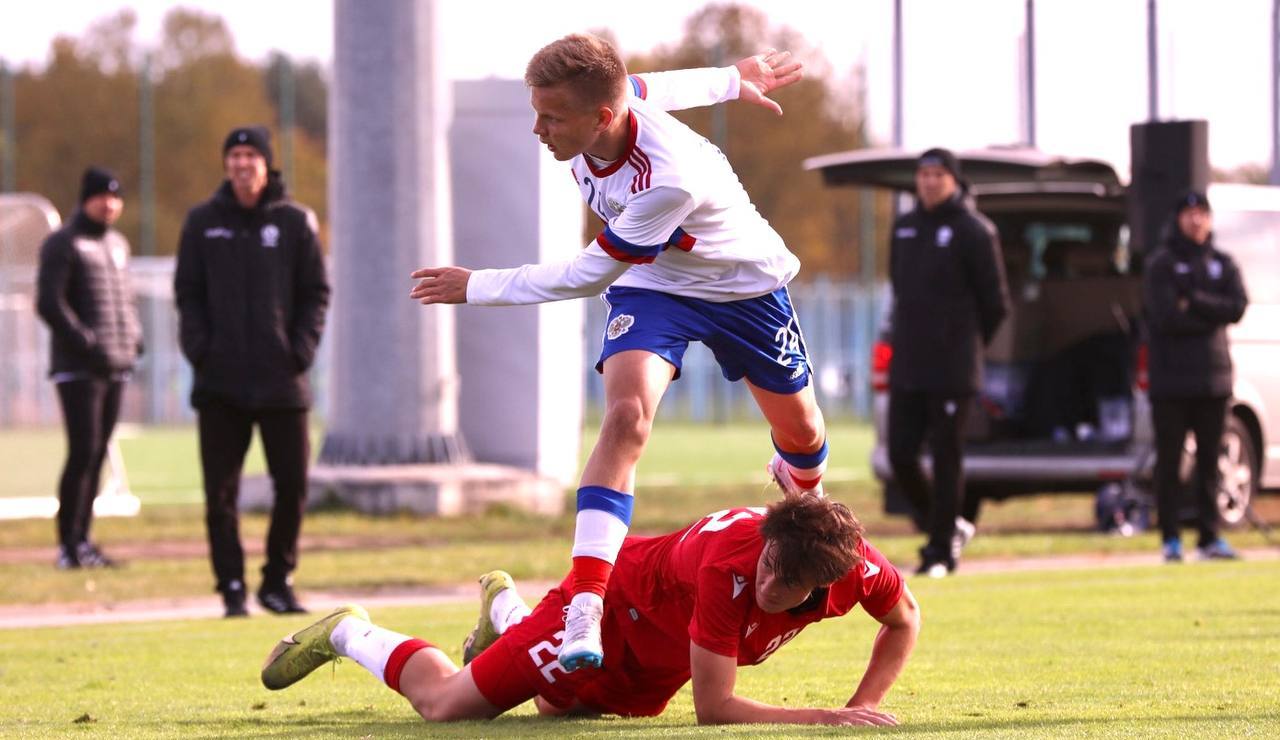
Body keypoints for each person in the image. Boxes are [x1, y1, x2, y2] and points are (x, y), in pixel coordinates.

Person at [409, 34, 828, 672]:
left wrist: (477, 286)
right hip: (655, 282)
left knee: (802, 434)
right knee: (626, 418)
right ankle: (586, 603)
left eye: (550, 116)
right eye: (535, 109)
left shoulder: (667, 178)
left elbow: (584, 275)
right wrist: (728, 77)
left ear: (601, 117)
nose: (537, 128)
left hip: (743, 285)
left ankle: (801, 508)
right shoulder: (613, 104)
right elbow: (655, 84)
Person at [261, 493, 919, 727]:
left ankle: (506, 619)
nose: (769, 585)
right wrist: (829, 717)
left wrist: (864, 700)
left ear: (830, 583)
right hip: (608, 603)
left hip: (663, 641)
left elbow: (903, 619)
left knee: (558, 708)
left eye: (787, 583)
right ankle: (351, 631)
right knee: (447, 705)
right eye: (769, 565)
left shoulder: (856, 569)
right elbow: (715, 711)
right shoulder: (731, 568)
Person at [174, 126, 331, 617]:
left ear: (266, 164)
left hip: (282, 381)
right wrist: (202, 351)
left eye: (250, 155)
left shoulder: (295, 221)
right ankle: (232, 588)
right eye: (234, 155)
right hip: (219, 384)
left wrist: (298, 351)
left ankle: (277, 582)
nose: (242, 163)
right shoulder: (202, 222)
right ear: (226, 164)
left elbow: (315, 293)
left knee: (292, 485)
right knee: (220, 493)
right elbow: (188, 296)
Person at [885, 148, 1010, 578]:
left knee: (946, 457)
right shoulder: (904, 229)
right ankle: (949, 525)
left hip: (954, 368)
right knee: (900, 454)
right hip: (909, 365)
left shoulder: (975, 231)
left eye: (938, 174)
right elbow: (900, 291)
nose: (929, 181)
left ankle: (940, 551)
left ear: (954, 180)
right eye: (923, 174)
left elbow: (996, 304)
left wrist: (966, 346)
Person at [35, 166, 143, 569]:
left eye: (115, 196)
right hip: (78, 368)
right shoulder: (63, 243)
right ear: (86, 198)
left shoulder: (117, 244)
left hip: (115, 365)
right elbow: (48, 302)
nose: (110, 203)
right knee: (82, 451)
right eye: (102, 196)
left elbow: (124, 300)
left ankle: (84, 541)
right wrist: (84, 341)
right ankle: (68, 544)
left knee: (98, 454)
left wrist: (133, 337)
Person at [1142, 190, 1248, 562]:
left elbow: (1236, 307)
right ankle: (1170, 538)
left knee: (1209, 462)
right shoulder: (1162, 264)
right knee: (1170, 463)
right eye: (1188, 214)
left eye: (1201, 213)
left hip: (1213, 379)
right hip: (1171, 381)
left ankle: (1209, 536)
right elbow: (1166, 316)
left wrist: (1196, 300)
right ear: (1177, 219)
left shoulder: (1223, 262)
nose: (1196, 220)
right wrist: (1206, 311)